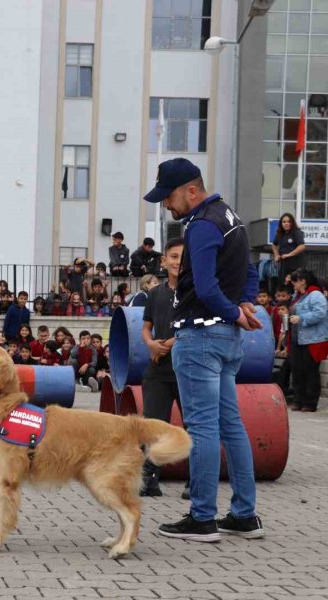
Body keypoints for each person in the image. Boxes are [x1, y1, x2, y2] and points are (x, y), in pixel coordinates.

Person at [144, 157, 265, 542]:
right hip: (228, 339)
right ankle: (244, 515)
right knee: (231, 426)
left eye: (169, 196)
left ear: (191, 191)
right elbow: (249, 272)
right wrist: (244, 306)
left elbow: (208, 288)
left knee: (201, 429)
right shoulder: (230, 216)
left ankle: (202, 517)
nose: (166, 205)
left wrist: (235, 310)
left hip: (199, 337)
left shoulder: (199, 225)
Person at [139, 237, 185, 497]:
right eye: (174, 256)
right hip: (157, 369)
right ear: (164, 260)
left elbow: (193, 325)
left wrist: (168, 342)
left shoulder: (195, 291)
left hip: (187, 370)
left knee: (193, 425)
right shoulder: (155, 294)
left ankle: (196, 482)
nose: (178, 262)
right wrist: (151, 345)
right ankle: (149, 479)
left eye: (183, 257)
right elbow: (146, 327)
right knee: (153, 425)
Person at [287, 269, 328, 412]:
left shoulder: (315, 295)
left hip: (312, 339)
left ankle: (310, 402)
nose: (293, 283)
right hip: (297, 338)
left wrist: (302, 318)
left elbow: (320, 313)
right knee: (297, 371)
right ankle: (298, 400)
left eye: (295, 280)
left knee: (310, 372)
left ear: (303, 281)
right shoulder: (297, 296)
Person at [272, 212, 306, 284]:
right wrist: (276, 255)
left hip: (295, 265)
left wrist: (289, 254)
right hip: (284, 265)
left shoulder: (296, 232)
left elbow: (302, 246)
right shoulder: (280, 234)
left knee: (293, 284)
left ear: (292, 223)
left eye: (289, 222)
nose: (286, 223)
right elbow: (274, 245)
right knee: (282, 284)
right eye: (284, 222)